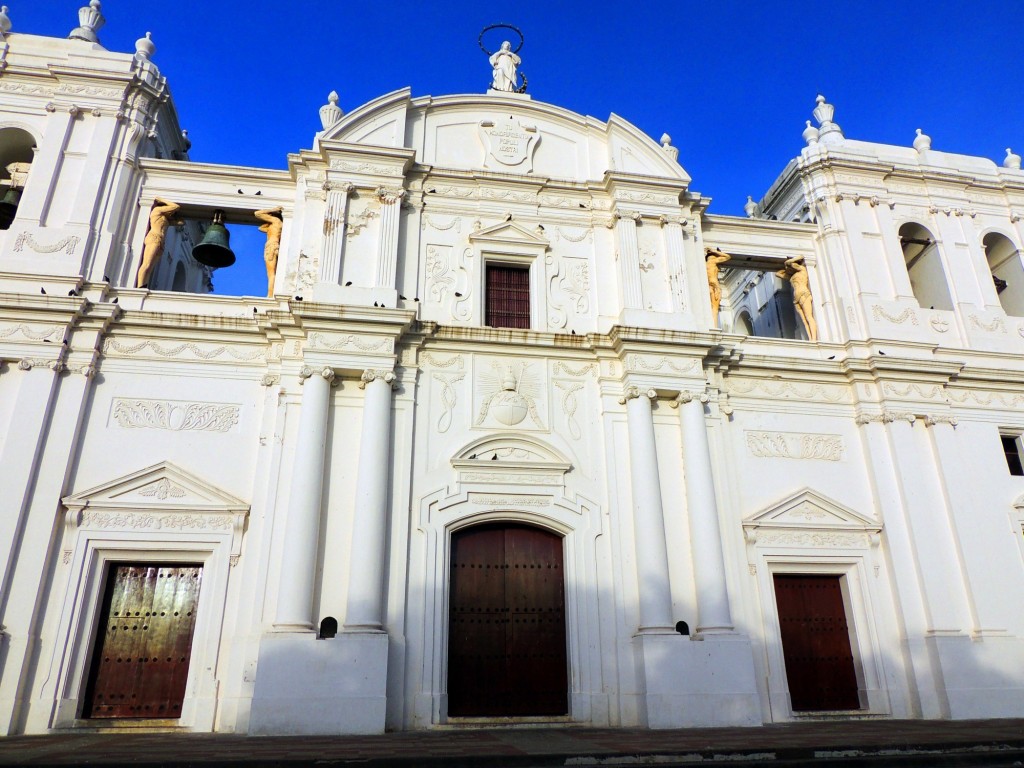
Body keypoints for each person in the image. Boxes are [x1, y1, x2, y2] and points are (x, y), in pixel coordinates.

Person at [136, 197, 181, 288]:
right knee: (147, 264)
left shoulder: (165, 218)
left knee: (151, 268)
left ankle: (144, 285)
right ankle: (139, 286)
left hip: (161, 242)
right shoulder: (157, 211)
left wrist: (173, 216)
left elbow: (181, 222)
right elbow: (176, 206)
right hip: (154, 238)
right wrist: (161, 199)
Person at [776, 256, 818, 341]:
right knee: (804, 321)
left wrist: (793, 260)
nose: (788, 269)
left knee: (809, 317)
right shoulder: (791, 277)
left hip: (804, 294)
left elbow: (790, 263)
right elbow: (778, 274)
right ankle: (810, 338)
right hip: (796, 298)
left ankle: (814, 338)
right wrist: (787, 268)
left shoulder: (802, 269)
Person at [254, 207, 284, 297]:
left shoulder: (276, 221)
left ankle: (270, 295)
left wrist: (273, 209)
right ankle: (271, 293)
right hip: (274, 245)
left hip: (271, 246)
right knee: (273, 273)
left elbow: (257, 213)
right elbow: (261, 228)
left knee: (271, 273)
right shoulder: (276, 224)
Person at [705, 247, 732, 321]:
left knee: (710, 307)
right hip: (715, 285)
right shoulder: (713, 261)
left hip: (708, 285)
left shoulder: (705, 264)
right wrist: (715, 251)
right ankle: (714, 326)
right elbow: (728, 257)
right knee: (715, 309)